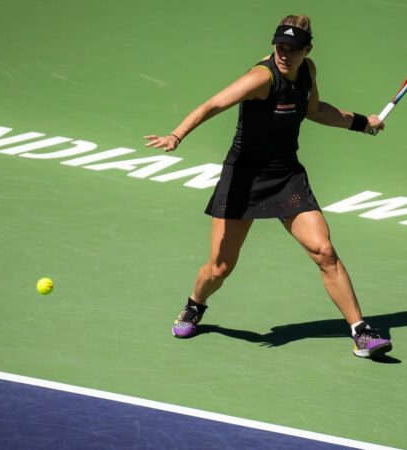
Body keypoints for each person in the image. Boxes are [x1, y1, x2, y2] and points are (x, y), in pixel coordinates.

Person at [144, 14, 392, 359]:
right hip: (243, 179)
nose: (284, 54)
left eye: (292, 48)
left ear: (307, 50)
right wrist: (177, 134)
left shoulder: (308, 71)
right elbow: (213, 104)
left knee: (324, 251)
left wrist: (362, 123)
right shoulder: (260, 78)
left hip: (285, 176)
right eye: (279, 46)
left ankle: (360, 332)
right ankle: (194, 305)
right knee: (219, 268)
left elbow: (314, 109)